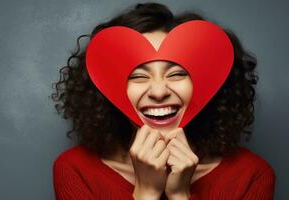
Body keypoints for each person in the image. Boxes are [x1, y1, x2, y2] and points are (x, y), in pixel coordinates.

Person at [51, 2, 275, 200]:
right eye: (138, 76)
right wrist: (146, 193)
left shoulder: (252, 175)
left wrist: (180, 195)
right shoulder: (75, 170)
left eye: (176, 74)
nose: (159, 91)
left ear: (206, 83)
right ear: (108, 88)